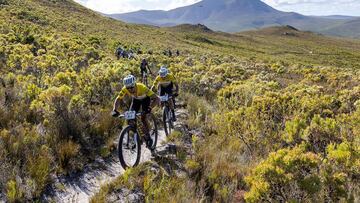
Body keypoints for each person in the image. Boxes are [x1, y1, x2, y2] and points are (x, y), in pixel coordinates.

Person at [112, 75, 158, 148]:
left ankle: (148, 137)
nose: (130, 89)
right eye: (128, 88)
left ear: (135, 84)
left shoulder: (142, 87)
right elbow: (118, 99)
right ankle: (137, 137)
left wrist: (150, 107)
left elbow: (156, 99)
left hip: (145, 99)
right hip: (136, 100)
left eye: (131, 87)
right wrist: (114, 109)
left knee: (143, 117)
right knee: (130, 119)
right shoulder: (124, 89)